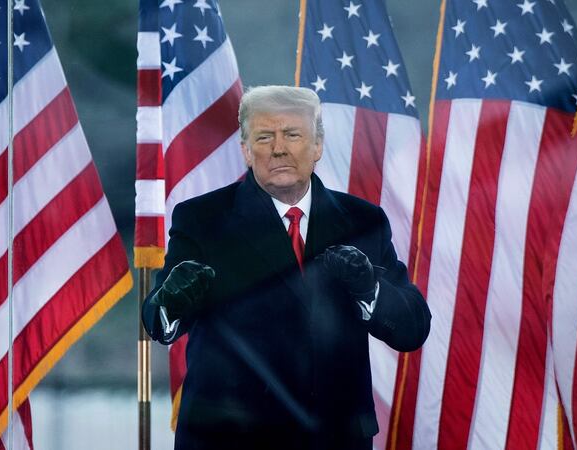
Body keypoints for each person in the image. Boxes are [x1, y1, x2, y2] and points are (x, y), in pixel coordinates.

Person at [141, 85, 431, 450]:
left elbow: (412, 328)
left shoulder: (362, 220)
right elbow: (158, 321)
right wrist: (171, 300)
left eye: (292, 134)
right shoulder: (202, 219)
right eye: (265, 136)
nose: (279, 148)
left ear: (318, 146)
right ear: (246, 150)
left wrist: (370, 288)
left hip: (335, 439)